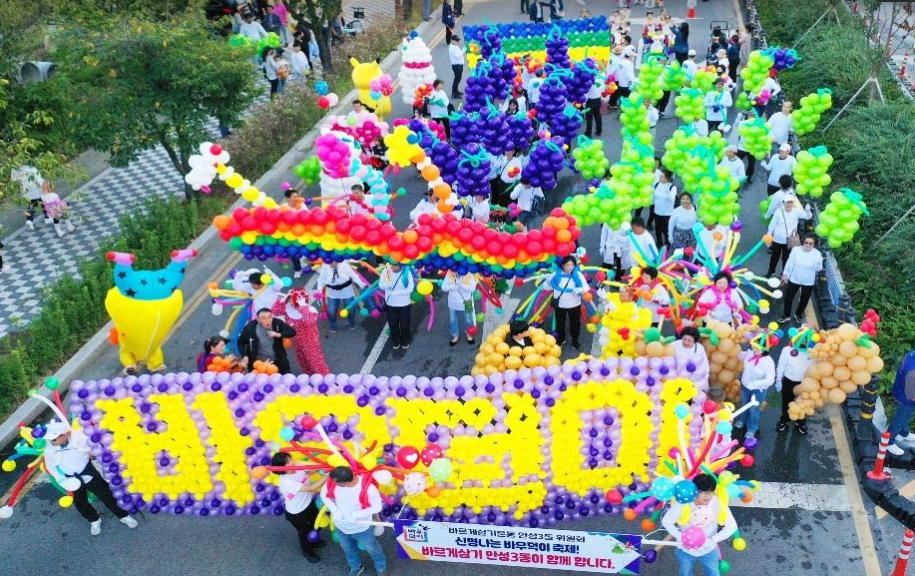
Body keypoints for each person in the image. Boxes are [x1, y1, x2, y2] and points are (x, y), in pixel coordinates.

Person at [44, 420, 139, 535]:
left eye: (54, 439)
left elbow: (95, 446)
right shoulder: (49, 449)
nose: (51, 441)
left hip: (89, 474)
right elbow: (50, 465)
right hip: (72, 481)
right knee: (80, 503)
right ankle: (94, 520)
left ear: (64, 435)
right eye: (49, 439)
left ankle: (124, 516)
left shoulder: (80, 439)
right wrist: (61, 479)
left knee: (107, 496)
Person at [662, 474, 737, 576]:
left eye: (710, 492)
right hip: (686, 551)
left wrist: (713, 539)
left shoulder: (717, 503)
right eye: (703, 492)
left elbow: (732, 526)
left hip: (709, 550)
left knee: (713, 574)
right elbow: (667, 522)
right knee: (685, 573)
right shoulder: (684, 503)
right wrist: (681, 537)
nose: (708, 497)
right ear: (695, 491)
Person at [321, 466, 387, 576]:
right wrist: (335, 510)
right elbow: (324, 494)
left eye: (336, 483)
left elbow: (377, 507)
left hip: (362, 528)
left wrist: (356, 515)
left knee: (373, 549)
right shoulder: (333, 482)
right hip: (341, 527)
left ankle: (381, 567)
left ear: (345, 483)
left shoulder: (368, 489)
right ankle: (356, 567)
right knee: (348, 549)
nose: (331, 484)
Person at [272, 452, 326, 563]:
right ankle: (307, 551)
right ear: (281, 468)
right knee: (304, 533)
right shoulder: (286, 481)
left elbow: (311, 471)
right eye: (287, 462)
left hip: (308, 504)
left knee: (317, 524)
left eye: (290, 459)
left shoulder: (297, 468)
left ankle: (314, 540)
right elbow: (311, 488)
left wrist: (315, 465)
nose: (291, 461)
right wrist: (326, 476)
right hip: (296, 512)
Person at [735, 340, 776, 440]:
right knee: (744, 405)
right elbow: (742, 355)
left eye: (757, 348)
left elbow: (770, 380)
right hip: (745, 386)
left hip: (758, 390)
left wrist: (755, 384)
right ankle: (742, 420)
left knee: (754, 410)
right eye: (754, 346)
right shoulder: (750, 352)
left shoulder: (768, 362)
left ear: (765, 349)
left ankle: (752, 428)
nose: (754, 349)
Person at [775, 337, 815, 435]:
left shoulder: (813, 351)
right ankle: (785, 419)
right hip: (789, 381)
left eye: (806, 340)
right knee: (786, 402)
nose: (803, 342)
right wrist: (778, 380)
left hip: (805, 383)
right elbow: (781, 365)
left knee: (803, 403)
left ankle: (800, 422)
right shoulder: (786, 350)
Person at [238, 308, 297, 373]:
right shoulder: (250, 328)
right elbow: (240, 342)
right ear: (258, 319)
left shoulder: (277, 323)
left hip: (278, 359)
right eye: (263, 318)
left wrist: (279, 334)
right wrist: (245, 356)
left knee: (286, 379)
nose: (267, 320)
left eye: (269, 317)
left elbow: (292, 332)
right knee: (259, 382)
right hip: (259, 363)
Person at [779, 234, 822, 324]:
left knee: (804, 299)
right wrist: (785, 274)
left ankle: (798, 314)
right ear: (803, 242)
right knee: (788, 297)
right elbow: (789, 262)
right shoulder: (796, 250)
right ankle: (786, 315)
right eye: (806, 242)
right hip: (794, 278)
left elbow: (818, 269)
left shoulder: (817, 254)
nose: (808, 245)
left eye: (811, 243)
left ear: (814, 245)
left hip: (808, 281)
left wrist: (818, 262)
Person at [548, 255, 588, 349]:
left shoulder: (577, 274)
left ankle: (575, 339)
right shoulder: (555, 274)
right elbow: (548, 287)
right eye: (567, 265)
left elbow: (586, 287)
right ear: (562, 265)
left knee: (575, 323)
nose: (570, 267)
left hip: (574, 304)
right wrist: (547, 281)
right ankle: (561, 338)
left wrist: (580, 290)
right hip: (560, 304)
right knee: (560, 323)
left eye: (572, 265)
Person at [766, 198, 812, 278]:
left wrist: (808, 211)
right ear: (784, 203)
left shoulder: (796, 212)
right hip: (777, 239)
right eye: (787, 202)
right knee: (774, 257)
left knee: (786, 259)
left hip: (789, 241)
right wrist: (769, 236)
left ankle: (784, 275)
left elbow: (807, 217)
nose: (789, 204)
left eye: (791, 202)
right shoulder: (778, 212)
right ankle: (771, 271)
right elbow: (772, 225)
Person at [317, 260, 365, 332]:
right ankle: (333, 325)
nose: (333, 262)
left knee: (351, 309)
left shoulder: (344, 265)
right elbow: (321, 280)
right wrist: (319, 291)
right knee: (331, 311)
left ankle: (351, 322)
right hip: (332, 294)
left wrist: (361, 283)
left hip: (347, 292)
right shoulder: (325, 267)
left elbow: (353, 275)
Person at [379, 262, 414, 350]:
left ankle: (405, 341)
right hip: (391, 304)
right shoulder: (386, 271)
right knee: (393, 324)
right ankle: (396, 341)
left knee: (405, 324)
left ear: (400, 266)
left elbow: (411, 288)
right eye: (391, 265)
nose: (392, 268)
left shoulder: (407, 272)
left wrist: (398, 293)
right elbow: (380, 285)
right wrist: (387, 285)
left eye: (394, 266)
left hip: (404, 304)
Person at [887, 351, 915, 456]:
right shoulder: (912, 371)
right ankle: (888, 443)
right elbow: (912, 396)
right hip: (906, 399)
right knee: (899, 420)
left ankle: (903, 433)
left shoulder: (911, 354)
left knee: (906, 417)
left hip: (900, 389)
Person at [442, 270, 477, 346]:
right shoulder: (450, 273)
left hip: (467, 302)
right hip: (453, 303)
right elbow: (443, 287)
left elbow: (473, 288)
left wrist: (462, 285)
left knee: (468, 320)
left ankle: (469, 334)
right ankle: (455, 335)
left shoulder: (469, 273)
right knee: (453, 320)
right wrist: (453, 286)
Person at [12, 164, 50, 231]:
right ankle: (47, 217)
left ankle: (29, 221)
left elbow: (14, 180)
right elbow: (39, 180)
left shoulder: (16, 171)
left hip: (26, 192)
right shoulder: (32, 170)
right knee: (43, 202)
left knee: (32, 205)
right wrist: (45, 187)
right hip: (36, 190)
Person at [652, 169, 676, 248]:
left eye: (662, 177)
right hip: (657, 211)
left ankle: (667, 242)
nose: (660, 178)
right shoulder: (657, 184)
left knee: (666, 229)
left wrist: (667, 193)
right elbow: (654, 196)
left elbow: (671, 199)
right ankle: (659, 241)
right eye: (660, 176)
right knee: (657, 228)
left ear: (667, 178)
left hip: (667, 213)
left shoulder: (672, 187)